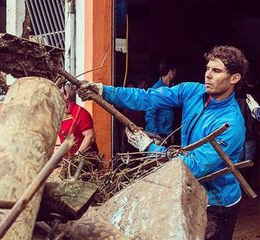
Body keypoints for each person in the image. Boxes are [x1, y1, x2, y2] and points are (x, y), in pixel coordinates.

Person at [78, 45, 249, 240]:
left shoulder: (231, 125)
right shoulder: (192, 91)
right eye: (208, 68)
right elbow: (148, 97)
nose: (208, 75)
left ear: (234, 78)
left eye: (216, 71)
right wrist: (104, 91)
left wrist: (148, 147)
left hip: (217, 203)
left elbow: (192, 166)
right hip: (191, 189)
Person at [58, 81, 98, 157]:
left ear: (66, 95)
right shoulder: (62, 116)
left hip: (84, 164)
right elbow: (71, 139)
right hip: (69, 164)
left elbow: (90, 136)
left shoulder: (80, 113)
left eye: (58, 95)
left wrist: (76, 157)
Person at [145, 60, 177, 139]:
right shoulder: (157, 89)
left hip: (166, 133)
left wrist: (170, 133)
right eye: (175, 72)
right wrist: (155, 135)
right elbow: (149, 114)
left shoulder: (170, 89)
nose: (176, 74)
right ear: (171, 72)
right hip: (158, 135)